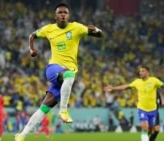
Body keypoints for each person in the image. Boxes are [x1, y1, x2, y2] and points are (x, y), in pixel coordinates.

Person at [15, 3, 103, 141]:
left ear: (68, 16)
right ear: (55, 16)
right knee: (69, 74)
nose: (63, 14)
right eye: (60, 12)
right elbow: (32, 35)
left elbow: (100, 35)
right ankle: (63, 111)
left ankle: (21, 135)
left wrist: (96, 29)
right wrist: (31, 49)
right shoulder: (48, 29)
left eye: (65, 12)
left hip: (65, 77)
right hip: (53, 68)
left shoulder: (76, 27)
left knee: (44, 108)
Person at [104, 66, 164, 141]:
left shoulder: (154, 81)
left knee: (151, 131)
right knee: (144, 128)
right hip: (142, 109)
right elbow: (125, 87)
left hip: (153, 110)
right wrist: (113, 88)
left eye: (142, 71)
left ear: (148, 72)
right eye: (140, 71)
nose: (140, 72)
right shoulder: (137, 82)